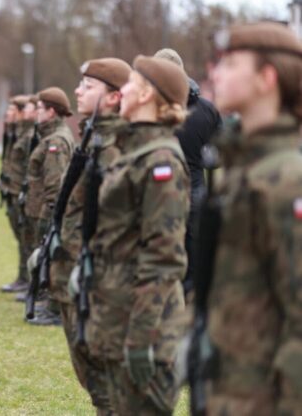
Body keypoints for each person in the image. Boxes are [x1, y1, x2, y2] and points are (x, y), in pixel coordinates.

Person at [204, 22, 302, 414]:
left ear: (266, 78)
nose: (216, 74)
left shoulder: (286, 179)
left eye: (231, 64)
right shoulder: (243, 168)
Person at [88, 55, 190, 414]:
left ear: (147, 94)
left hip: (144, 328)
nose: (123, 90)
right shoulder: (135, 151)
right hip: (119, 316)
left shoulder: (160, 160)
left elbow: (163, 258)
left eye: (130, 83)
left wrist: (141, 338)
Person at [50, 57, 130, 414]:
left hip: (101, 281)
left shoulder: (118, 146)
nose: (78, 91)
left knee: (109, 384)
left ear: (114, 97)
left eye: (89, 86)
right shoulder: (92, 138)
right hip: (74, 271)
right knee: (92, 379)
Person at [154, 48, 221, 294]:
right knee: (194, 255)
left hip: (160, 190)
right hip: (196, 188)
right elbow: (220, 153)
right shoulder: (208, 110)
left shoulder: (152, 109)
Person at [22, 87, 74, 326]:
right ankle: (50, 304)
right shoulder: (50, 137)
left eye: (41, 109)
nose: (37, 114)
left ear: (51, 112)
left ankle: (55, 309)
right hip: (41, 207)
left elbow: (55, 183)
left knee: (52, 258)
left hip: (48, 209)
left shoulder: (56, 141)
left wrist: (50, 215)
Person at [0, 94, 36, 296]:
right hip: (12, 191)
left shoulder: (29, 136)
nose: (8, 114)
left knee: (27, 240)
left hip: (22, 193)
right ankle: (23, 278)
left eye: (12, 110)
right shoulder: (15, 133)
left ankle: (28, 280)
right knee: (21, 238)